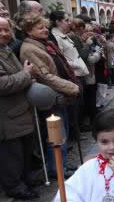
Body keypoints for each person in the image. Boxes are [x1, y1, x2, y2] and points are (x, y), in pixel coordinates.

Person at [0, 16, 41, 200]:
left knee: (23, 153)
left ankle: (25, 179)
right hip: (6, 115)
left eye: (6, 29)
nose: (4, 33)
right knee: (11, 156)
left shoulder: (3, 48)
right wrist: (27, 75)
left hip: (20, 111)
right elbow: (2, 85)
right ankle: (14, 186)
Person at [19, 13, 80, 178]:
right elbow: (45, 76)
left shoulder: (44, 44)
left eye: (46, 27)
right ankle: (56, 167)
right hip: (51, 97)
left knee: (63, 133)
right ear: (29, 30)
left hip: (60, 95)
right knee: (57, 134)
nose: (45, 30)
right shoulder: (30, 49)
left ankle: (61, 163)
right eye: (40, 28)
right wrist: (71, 87)